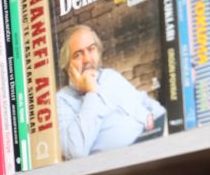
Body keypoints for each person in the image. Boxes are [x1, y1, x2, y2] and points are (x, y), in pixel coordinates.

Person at [56, 25, 166, 160]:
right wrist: (91, 92)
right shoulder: (62, 101)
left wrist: (157, 118)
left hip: (157, 141)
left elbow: (143, 100)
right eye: (78, 55)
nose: (87, 59)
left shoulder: (110, 76)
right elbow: (75, 151)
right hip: (127, 164)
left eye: (91, 49)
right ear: (67, 66)